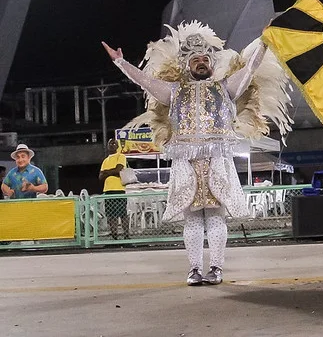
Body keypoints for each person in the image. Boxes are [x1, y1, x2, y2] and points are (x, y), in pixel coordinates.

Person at [102, 20, 291, 286]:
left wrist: (263, 42)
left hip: (217, 160)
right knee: (192, 220)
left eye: (205, 58)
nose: (201, 62)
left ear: (211, 63)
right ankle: (193, 269)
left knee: (215, 216)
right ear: (187, 64)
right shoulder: (174, 91)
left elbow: (250, 69)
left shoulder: (225, 88)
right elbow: (145, 81)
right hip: (186, 161)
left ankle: (215, 268)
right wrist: (121, 63)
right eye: (196, 59)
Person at [98, 139, 130, 240]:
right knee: (111, 215)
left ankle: (126, 235)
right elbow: (100, 177)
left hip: (119, 189)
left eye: (114, 143)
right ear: (107, 147)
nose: (112, 145)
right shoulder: (105, 160)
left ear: (117, 146)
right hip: (107, 190)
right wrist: (112, 172)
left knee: (122, 213)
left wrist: (106, 172)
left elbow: (119, 169)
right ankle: (114, 236)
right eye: (110, 144)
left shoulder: (121, 156)